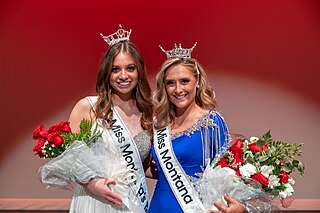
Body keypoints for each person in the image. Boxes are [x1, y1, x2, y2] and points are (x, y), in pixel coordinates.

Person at [148, 43, 246, 213]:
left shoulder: (212, 122)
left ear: (198, 82)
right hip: (160, 207)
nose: (178, 89)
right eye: (171, 83)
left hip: (195, 208)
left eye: (184, 81)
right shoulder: (158, 125)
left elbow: (229, 173)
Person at [67, 25, 153, 213]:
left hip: (133, 201)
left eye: (130, 68)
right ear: (107, 73)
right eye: (115, 69)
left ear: (139, 71)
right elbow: (70, 158)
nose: (123, 76)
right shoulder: (88, 107)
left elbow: (141, 164)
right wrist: (91, 184)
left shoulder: (148, 113)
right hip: (94, 200)